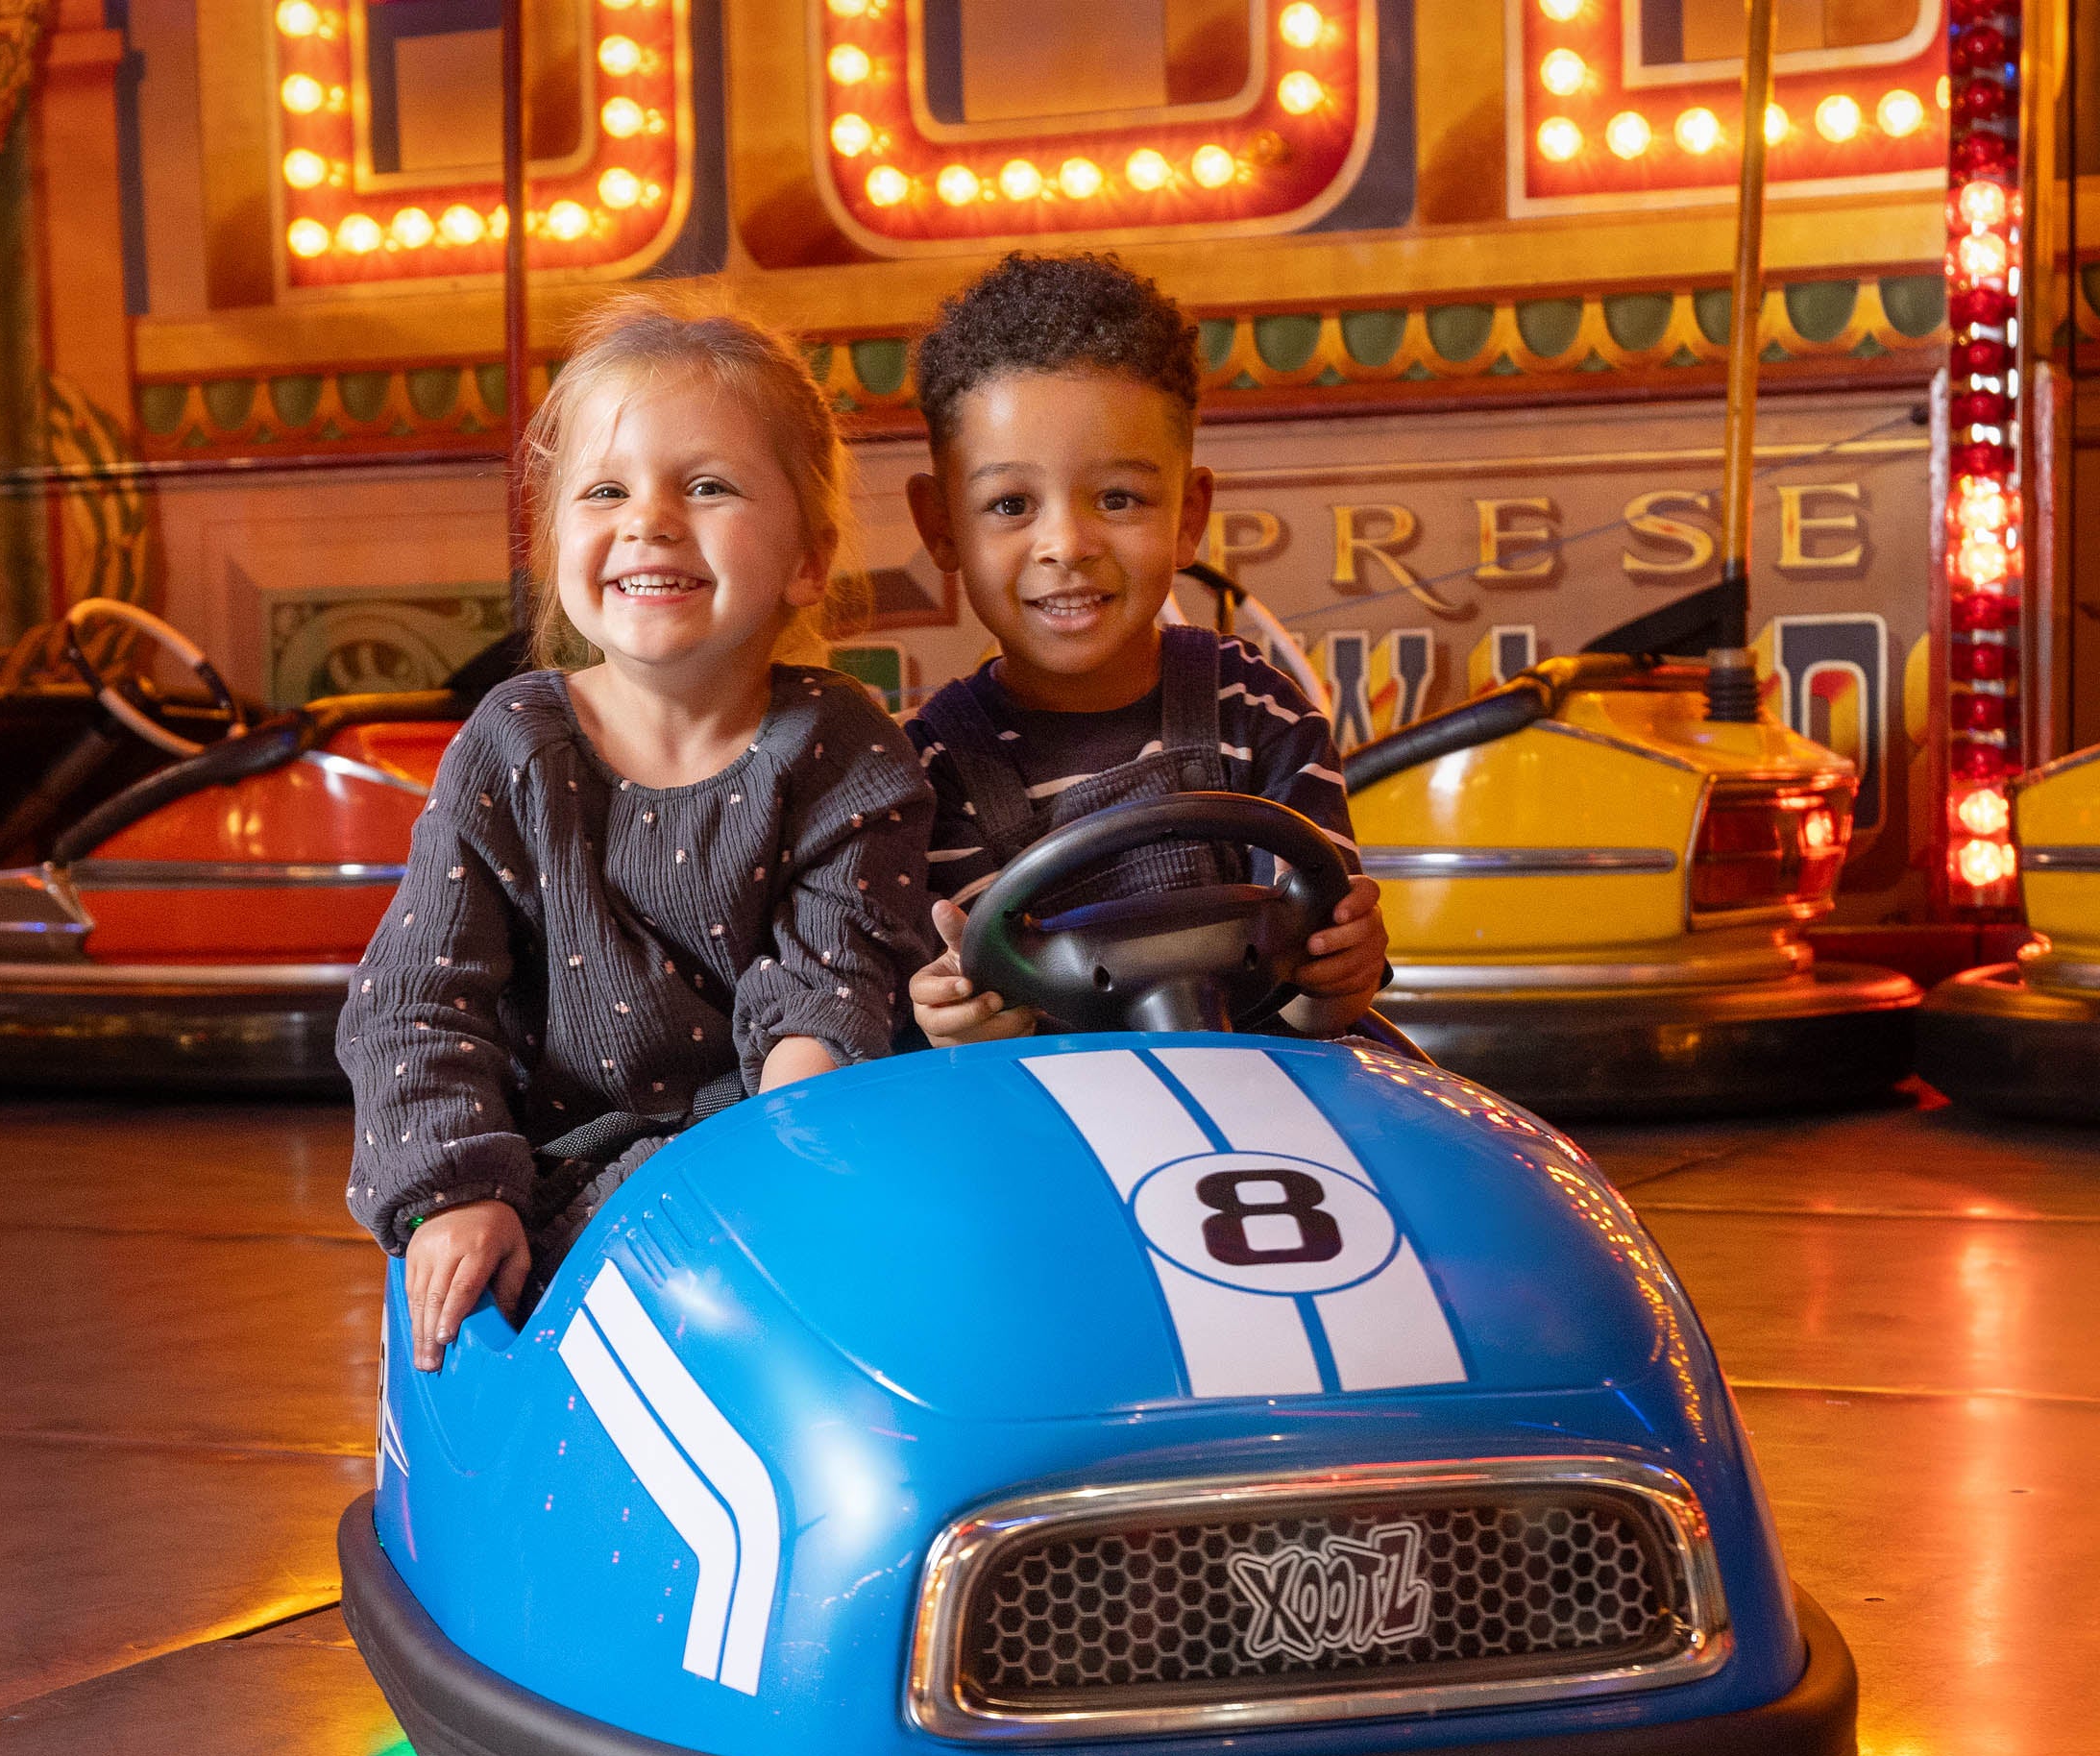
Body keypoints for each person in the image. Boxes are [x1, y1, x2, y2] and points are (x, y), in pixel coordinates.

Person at [341, 298, 934, 1370]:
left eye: (706, 487)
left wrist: (788, 1186)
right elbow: (414, 1001)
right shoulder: (516, 743)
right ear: (557, 540)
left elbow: (830, 988)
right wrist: (459, 1190)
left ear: (808, 558)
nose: (651, 519)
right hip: (562, 1183)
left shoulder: (841, 744)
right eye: (606, 491)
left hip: (769, 1159)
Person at [900, 250, 1386, 1045]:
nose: (1066, 543)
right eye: (1010, 504)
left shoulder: (1257, 711)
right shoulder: (927, 774)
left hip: (1265, 1088)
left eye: (1118, 498)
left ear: (1189, 515)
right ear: (940, 526)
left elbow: (1315, 1005)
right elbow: (952, 1036)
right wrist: (957, 1022)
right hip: (1058, 1131)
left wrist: (1341, 974)